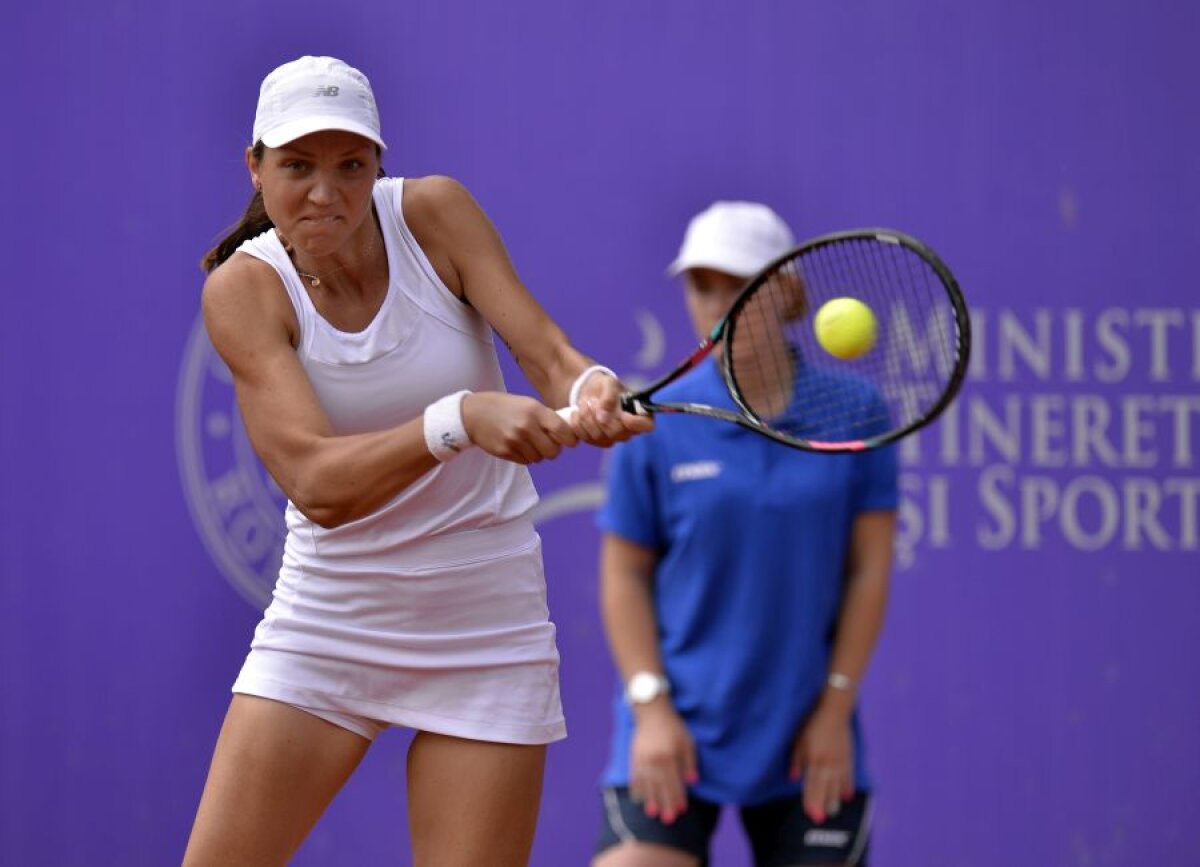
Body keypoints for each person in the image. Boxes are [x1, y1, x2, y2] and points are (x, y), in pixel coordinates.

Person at [182, 55, 651, 867]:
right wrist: (459, 419)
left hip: (484, 619)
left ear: (378, 165)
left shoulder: (436, 213)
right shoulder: (243, 291)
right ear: (255, 167)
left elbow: (547, 352)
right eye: (297, 166)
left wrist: (592, 385)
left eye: (350, 166)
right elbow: (316, 485)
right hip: (332, 619)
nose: (325, 193)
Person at [591, 202, 898, 867]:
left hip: (806, 730)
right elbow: (624, 574)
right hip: (674, 723)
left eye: (742, 286)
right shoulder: (655, 424)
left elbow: (869, 569)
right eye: (703, 286)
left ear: (788, 292)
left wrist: (835, 708)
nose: (719, 304)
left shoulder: (858, 411)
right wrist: (650, 709)